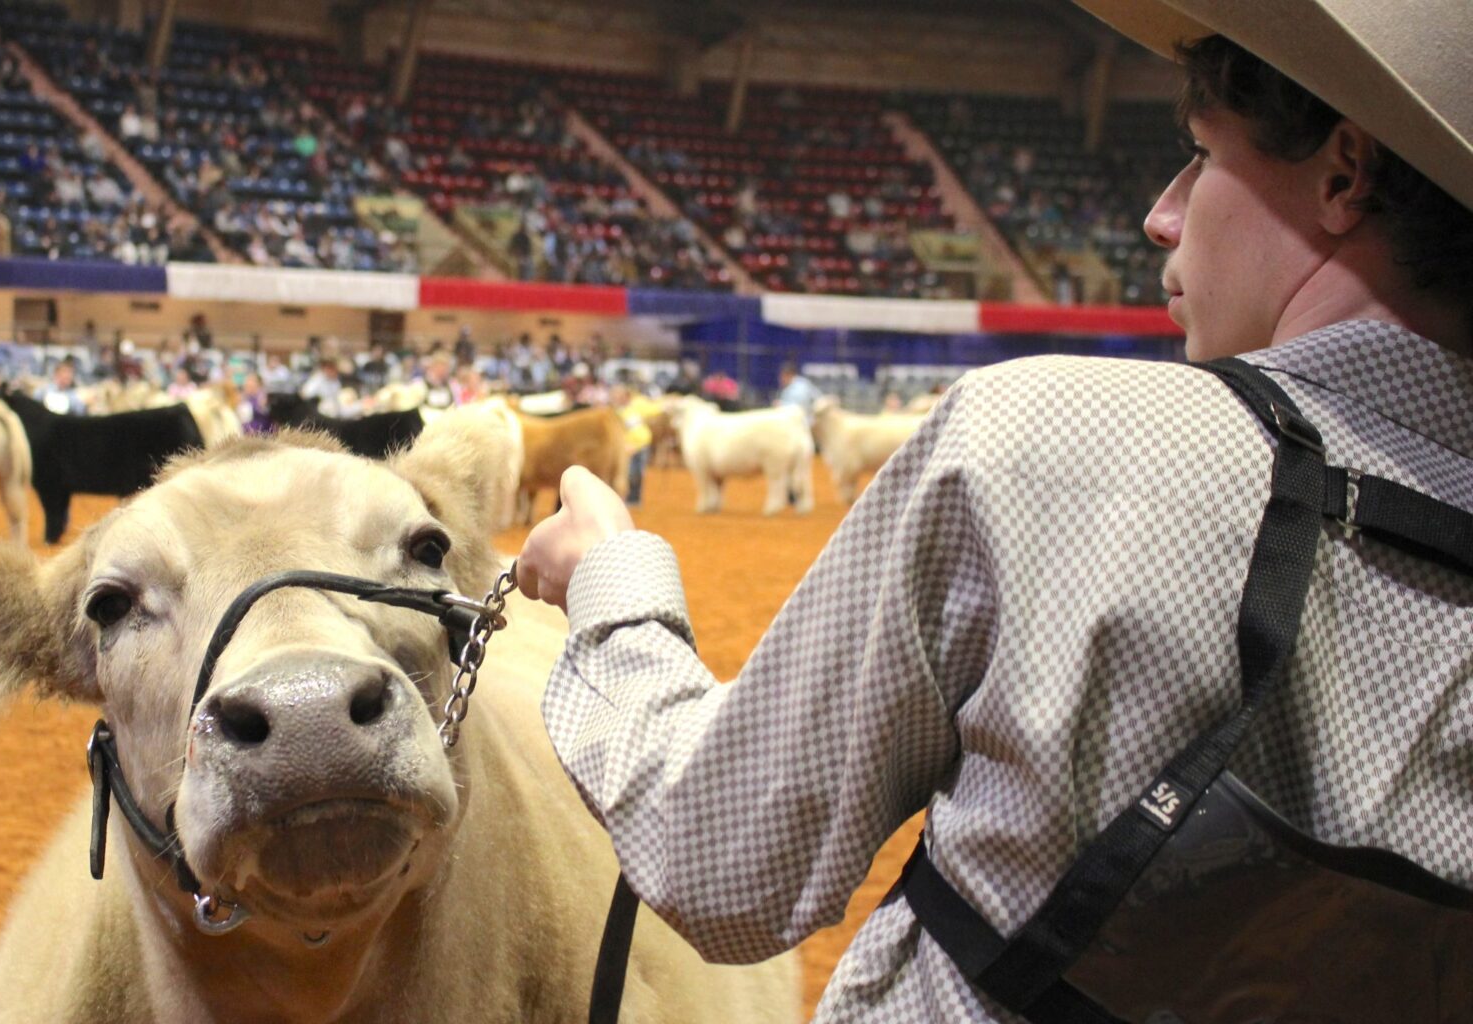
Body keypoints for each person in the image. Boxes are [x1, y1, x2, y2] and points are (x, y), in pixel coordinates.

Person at [516, 5, 1473, 1020]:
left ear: (1342, 175)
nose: (1163, 212)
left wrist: (609, 587)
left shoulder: (1053, 433)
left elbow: (719, 858)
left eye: (1200, 158)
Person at [772, 360, 821, 430]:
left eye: (781, 376)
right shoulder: (803, 382)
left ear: (788, 375)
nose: (780, 379)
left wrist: (781, 404)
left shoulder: (799, 387)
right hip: (801, 422)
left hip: (802, 424)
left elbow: (798, 408)